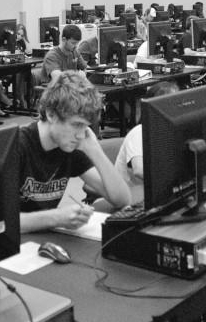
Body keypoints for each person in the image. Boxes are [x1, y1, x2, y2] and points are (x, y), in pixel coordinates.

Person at [18, 71, 131, 232]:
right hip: (11, 248)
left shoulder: (71, 146)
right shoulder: (18, 147)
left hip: (44, 239)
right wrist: (56, 217)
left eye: (86, 126)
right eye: (76, 124)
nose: (81, 135)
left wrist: (95, 150)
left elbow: (122, 199)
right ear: (51, 114)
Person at [114, 82, 206, 204]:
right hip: (133, 197)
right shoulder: (139, 132)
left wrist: (196, 127)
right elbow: (140, 170)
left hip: (167, 194)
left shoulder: (177, 131)